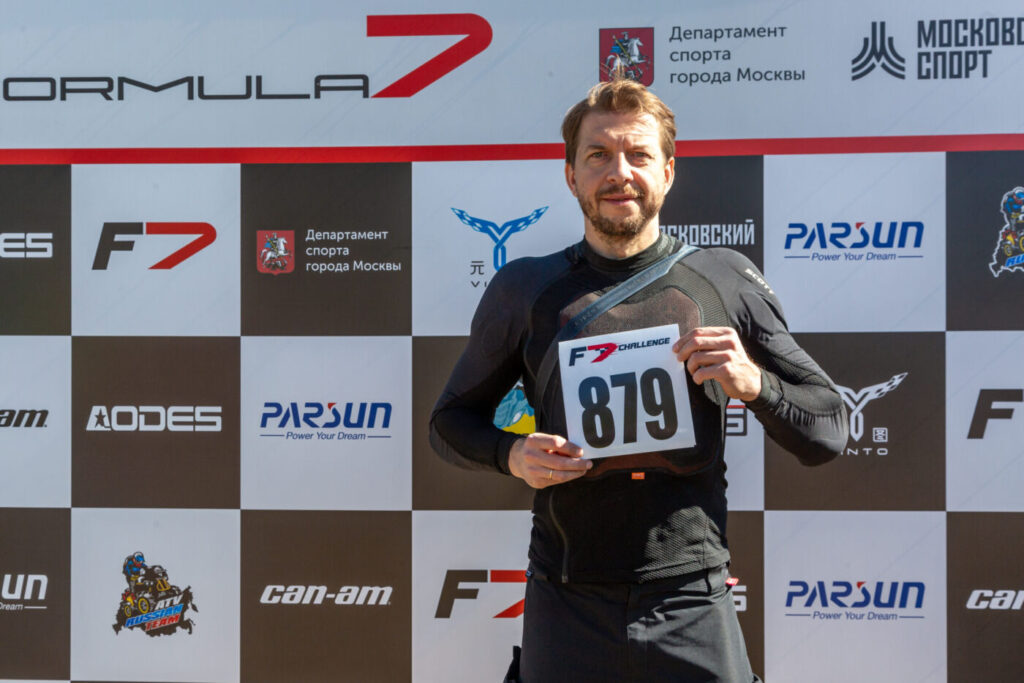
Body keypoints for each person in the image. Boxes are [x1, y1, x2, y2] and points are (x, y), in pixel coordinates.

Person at [429, 78, 848, 683]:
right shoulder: (525, 288)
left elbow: (828, 429)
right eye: (598, 155)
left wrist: (755, 383)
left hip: (692, 598)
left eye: (639, 155)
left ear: (668, 172)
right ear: (571, 175)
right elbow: (448, 422)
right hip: (566, 598)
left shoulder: (724, 278)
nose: (618, 173)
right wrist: (511, 454)